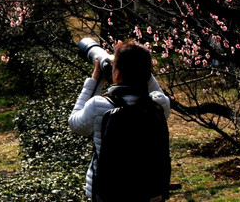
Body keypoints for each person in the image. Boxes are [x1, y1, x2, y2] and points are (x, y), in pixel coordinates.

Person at [68, 41, 171, 201]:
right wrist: (141, 67)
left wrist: (94, 81)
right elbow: (155, 89)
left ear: (117, 75)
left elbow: (74, 122)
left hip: (108, 194)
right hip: (148, 193)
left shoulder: (99, 106)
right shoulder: (159, 104)